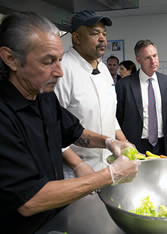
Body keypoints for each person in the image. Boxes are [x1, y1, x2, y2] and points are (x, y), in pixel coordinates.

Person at [0, 12, 140, 234]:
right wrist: (109, 175)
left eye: (60, 60)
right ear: (10, 59)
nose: (59, 71)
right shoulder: (5, 115)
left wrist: (110, 142)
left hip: (53, 218)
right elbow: (30, 199)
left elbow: (75, 131)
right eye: (47, 61)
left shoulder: (43, 95)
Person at [54, 10, 128, 178]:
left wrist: (125, 143)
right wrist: (78, 165)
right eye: (95, 33)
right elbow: (54, 127)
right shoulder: (63, 70)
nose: (102, 38)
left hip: (108, 164)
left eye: (104, 33)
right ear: (77, 37)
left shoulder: (103, 68)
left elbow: (109, 115)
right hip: (77, 170)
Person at [116, 39, 167, 156]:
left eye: (155, 55)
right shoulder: (124, 85)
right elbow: (119, 117)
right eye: (147, 58)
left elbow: (165, 111)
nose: (153, 61)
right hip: (135, 144)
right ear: (138, 60)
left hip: (160, 144)